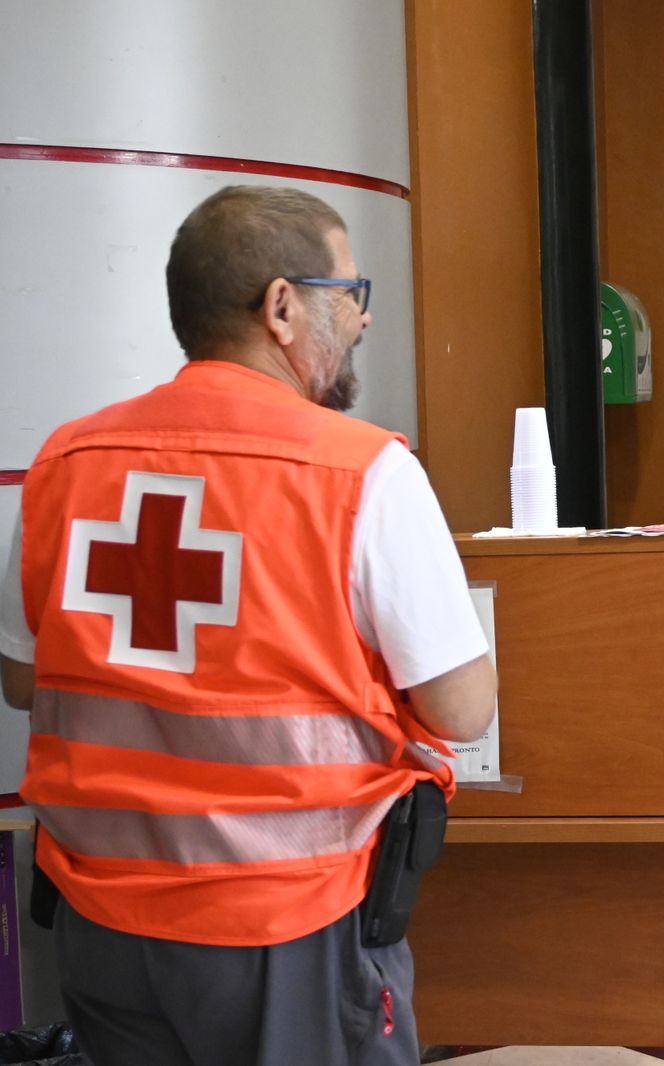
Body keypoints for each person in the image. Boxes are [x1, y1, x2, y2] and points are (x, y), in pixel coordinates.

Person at [0, 185, 497, 1066]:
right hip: (290, 928)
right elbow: (461, 710)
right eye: (350, 294)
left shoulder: (64, 462)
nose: (362, 321)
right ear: (280, 306)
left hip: (100, 921)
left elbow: (22, 681)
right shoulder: (360, 472)